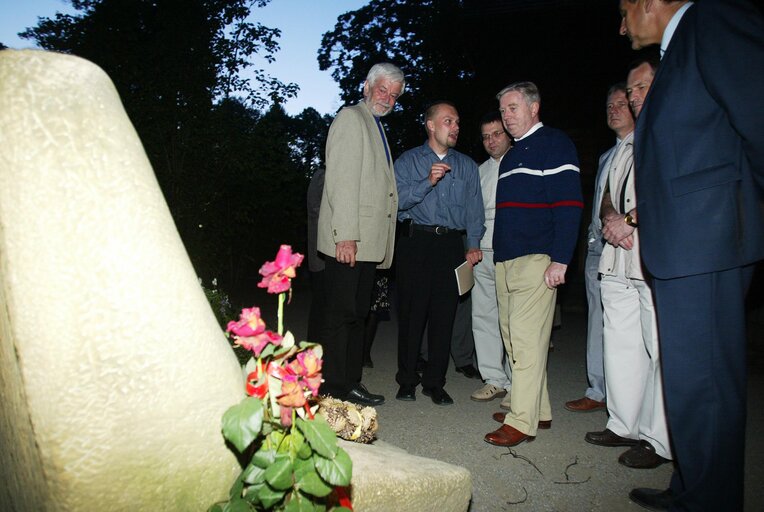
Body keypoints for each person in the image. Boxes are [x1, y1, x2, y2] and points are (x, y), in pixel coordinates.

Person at [617, 1, 764, 510]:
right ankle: (696, 487)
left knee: (706, 382)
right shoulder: (677, 52)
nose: (622, 24)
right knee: (690, 379)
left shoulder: (712, 22)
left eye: (623, 9)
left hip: (708, 236)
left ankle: (710, 499)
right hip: (686, 243)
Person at [584, 56, 673, 471]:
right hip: (615, 258)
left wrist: (630, 221)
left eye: (639, 90)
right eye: (627, 93)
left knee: (659, 348)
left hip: (652, 255)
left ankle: (660, 439)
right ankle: (624, 423)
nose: (631, 100)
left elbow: (666, 186)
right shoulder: (619, 149)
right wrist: (609, 221)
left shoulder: (664, 132)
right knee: (620, 344)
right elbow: (607, 196)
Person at [484, 82, 583, 447]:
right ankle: (537, 409)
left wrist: (561, 259)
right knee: (514, 340)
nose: (507, 117)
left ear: (534, 107)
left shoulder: (554, 144)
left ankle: (520, 420)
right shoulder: (510, 155)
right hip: (506, 260)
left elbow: (569, 206)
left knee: (525, 341)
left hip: (537, 259)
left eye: (513, 108)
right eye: (504, 110)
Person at [317, 62, 405, 406]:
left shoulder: (375, 125)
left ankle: (348, 382)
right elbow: (342, 181)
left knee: (357, 315)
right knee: (341, 317)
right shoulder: (352, 119)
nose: (387, 98)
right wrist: (346, 236)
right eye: (382, 90)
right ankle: (331, 388)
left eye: (394, 95)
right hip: (351, 241)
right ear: (366, 86)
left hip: (367, 242)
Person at [394, 101, 484, 406]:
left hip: (450, 245)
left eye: (457, 122)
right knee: (411, 313)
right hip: (415, 242)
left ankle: (435, 382)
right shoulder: (408, 162)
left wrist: (473, 243)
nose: (456, 127)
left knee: (445, 316)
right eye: (448, 121)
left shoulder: (468, 166)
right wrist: (427, 182)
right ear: (431, 125)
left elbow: (475, 209)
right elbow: (394, 202)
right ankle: (407, 379)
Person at [565, 83, 634, 415]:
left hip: (630, 246)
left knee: (628, 329)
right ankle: (598, 389)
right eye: (609, 105)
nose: (614, 109)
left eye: (622, 103)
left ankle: (628, 400)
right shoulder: (607, 155)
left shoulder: (645, 148)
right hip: (598, 248)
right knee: (598, 323)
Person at [469, 111, 513, 405]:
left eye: (496, 133)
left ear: (508, 133)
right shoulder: (479, 170)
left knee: (514, 317)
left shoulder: (521, 163)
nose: (491, 140)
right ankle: (493, 379)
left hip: (512, 248)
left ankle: (519, 382)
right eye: (485, 136)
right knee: (484, 315)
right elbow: (472, 213)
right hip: (483, 249)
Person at [306, 167, 326, 344]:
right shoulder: (322, 175)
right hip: (320, 255)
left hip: (331, 255)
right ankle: (312, 348)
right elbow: (315, 209)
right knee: (320, 303)